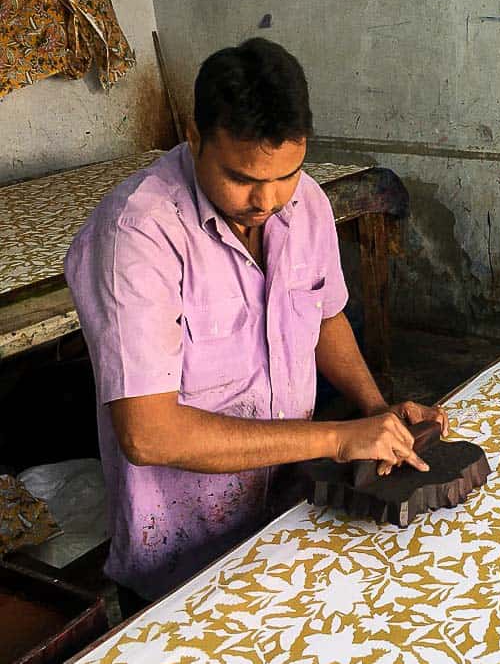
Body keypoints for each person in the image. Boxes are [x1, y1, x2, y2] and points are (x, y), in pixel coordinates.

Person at [64, 37, 447, 615]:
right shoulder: (137, 234)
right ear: (194, 137)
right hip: (181, 556)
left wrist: (374, 410)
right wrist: (337, 438)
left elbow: (323, 315)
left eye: (287, 173)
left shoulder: (307, 203)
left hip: (290, 511)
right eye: (242, 177)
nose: (267, 200)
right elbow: (148, 433)